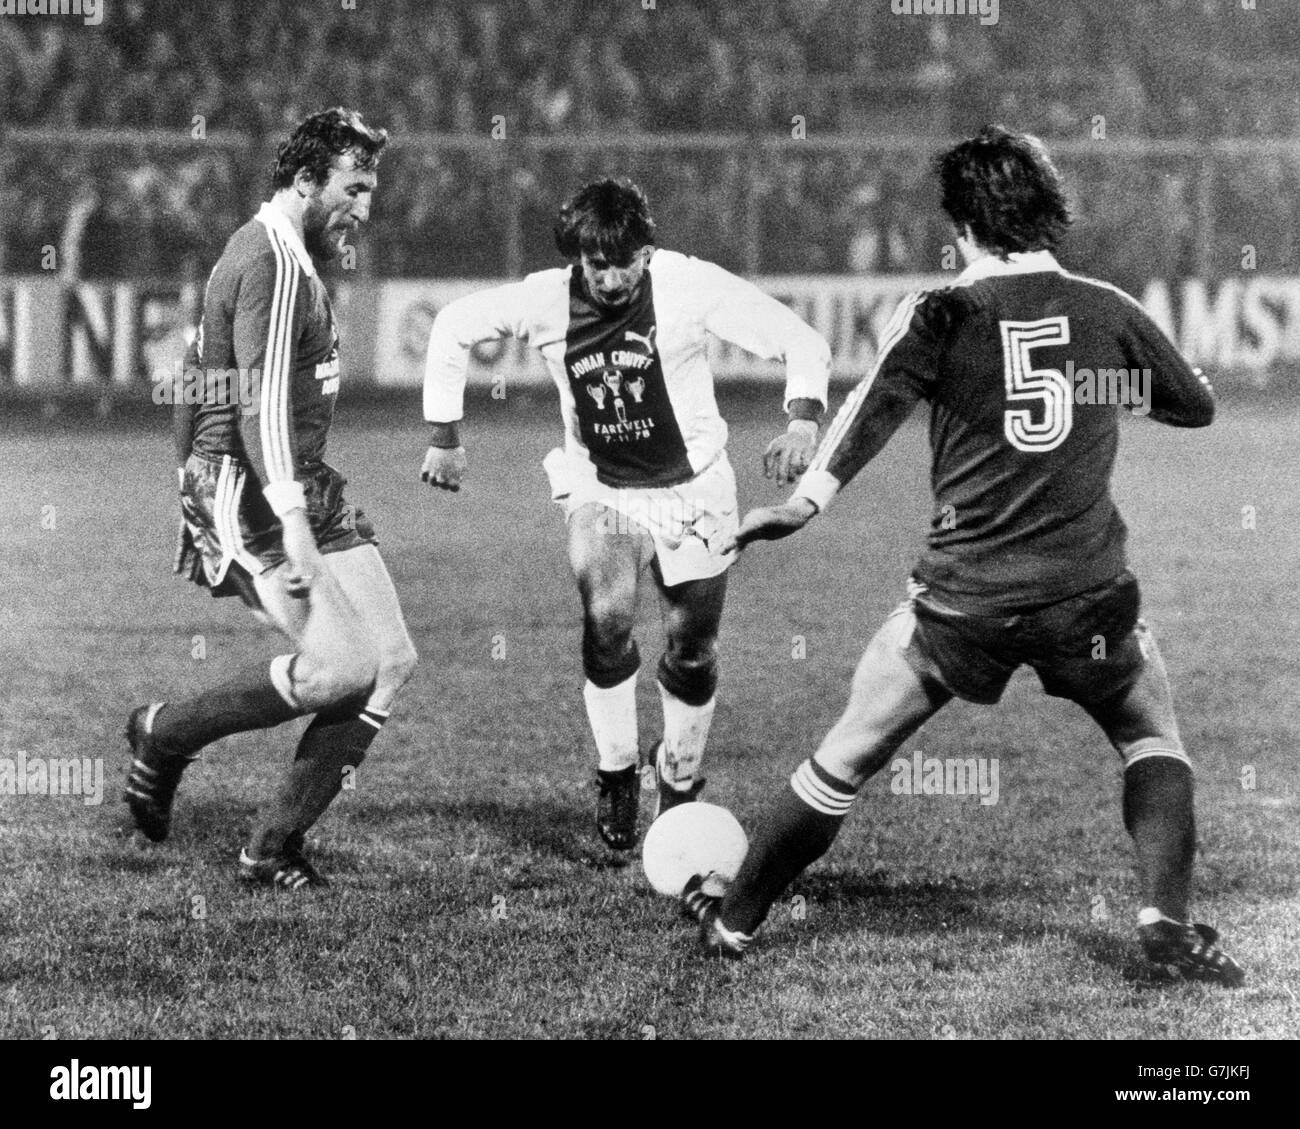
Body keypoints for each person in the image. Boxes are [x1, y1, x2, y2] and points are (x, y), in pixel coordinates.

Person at [682, 126, 1244, 987]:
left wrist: (803, 503)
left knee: (847, 753)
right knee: (1149, 732)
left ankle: (735, 920)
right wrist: (1100, 384)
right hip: (1085, 596)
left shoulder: (945, 311)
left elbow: (875, 406)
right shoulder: (1108, 306)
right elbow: (1195, 404)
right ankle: (1165, 923)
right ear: (1049, 214)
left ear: (963, 226)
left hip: (964, 599)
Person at [420, 177, 830, 850]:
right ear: (577, 259)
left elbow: (798, 337)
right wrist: (444, 434)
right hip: (602, 488)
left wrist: (803, 421)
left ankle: (678, 776)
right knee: (608, 613)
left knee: (691, 649)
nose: (611, 278)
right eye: (595, 264)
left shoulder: (689, 286)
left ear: (648, 249)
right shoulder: (547, 299)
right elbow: (453, 326)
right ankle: (616, 769)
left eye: (624, 261)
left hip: (694, 493)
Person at [123, 108, 418, 889]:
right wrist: (247, 505)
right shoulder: (275, 262)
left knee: (388, 660)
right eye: (354, 188)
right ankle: (165, 733)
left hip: (297, 478)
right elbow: (252, 406)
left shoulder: (271, 252)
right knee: (337, 669)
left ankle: (271, 846)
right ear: (304, 180)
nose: (365, 205)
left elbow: (197, 379)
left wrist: (190, 472)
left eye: (370, 187)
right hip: (258, 489)